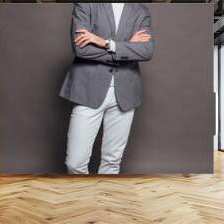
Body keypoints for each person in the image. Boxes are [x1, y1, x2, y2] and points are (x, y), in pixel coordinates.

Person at [60, 3, 154, 174]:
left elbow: (146, 51)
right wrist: (127, 46)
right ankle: (84, 199)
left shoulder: (140, 10)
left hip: (125, 93)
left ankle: (105, 199)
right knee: (75, 163)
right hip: (88, 90)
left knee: (112, 162)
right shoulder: (86, 5)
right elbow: (81, 49)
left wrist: (105, 43)